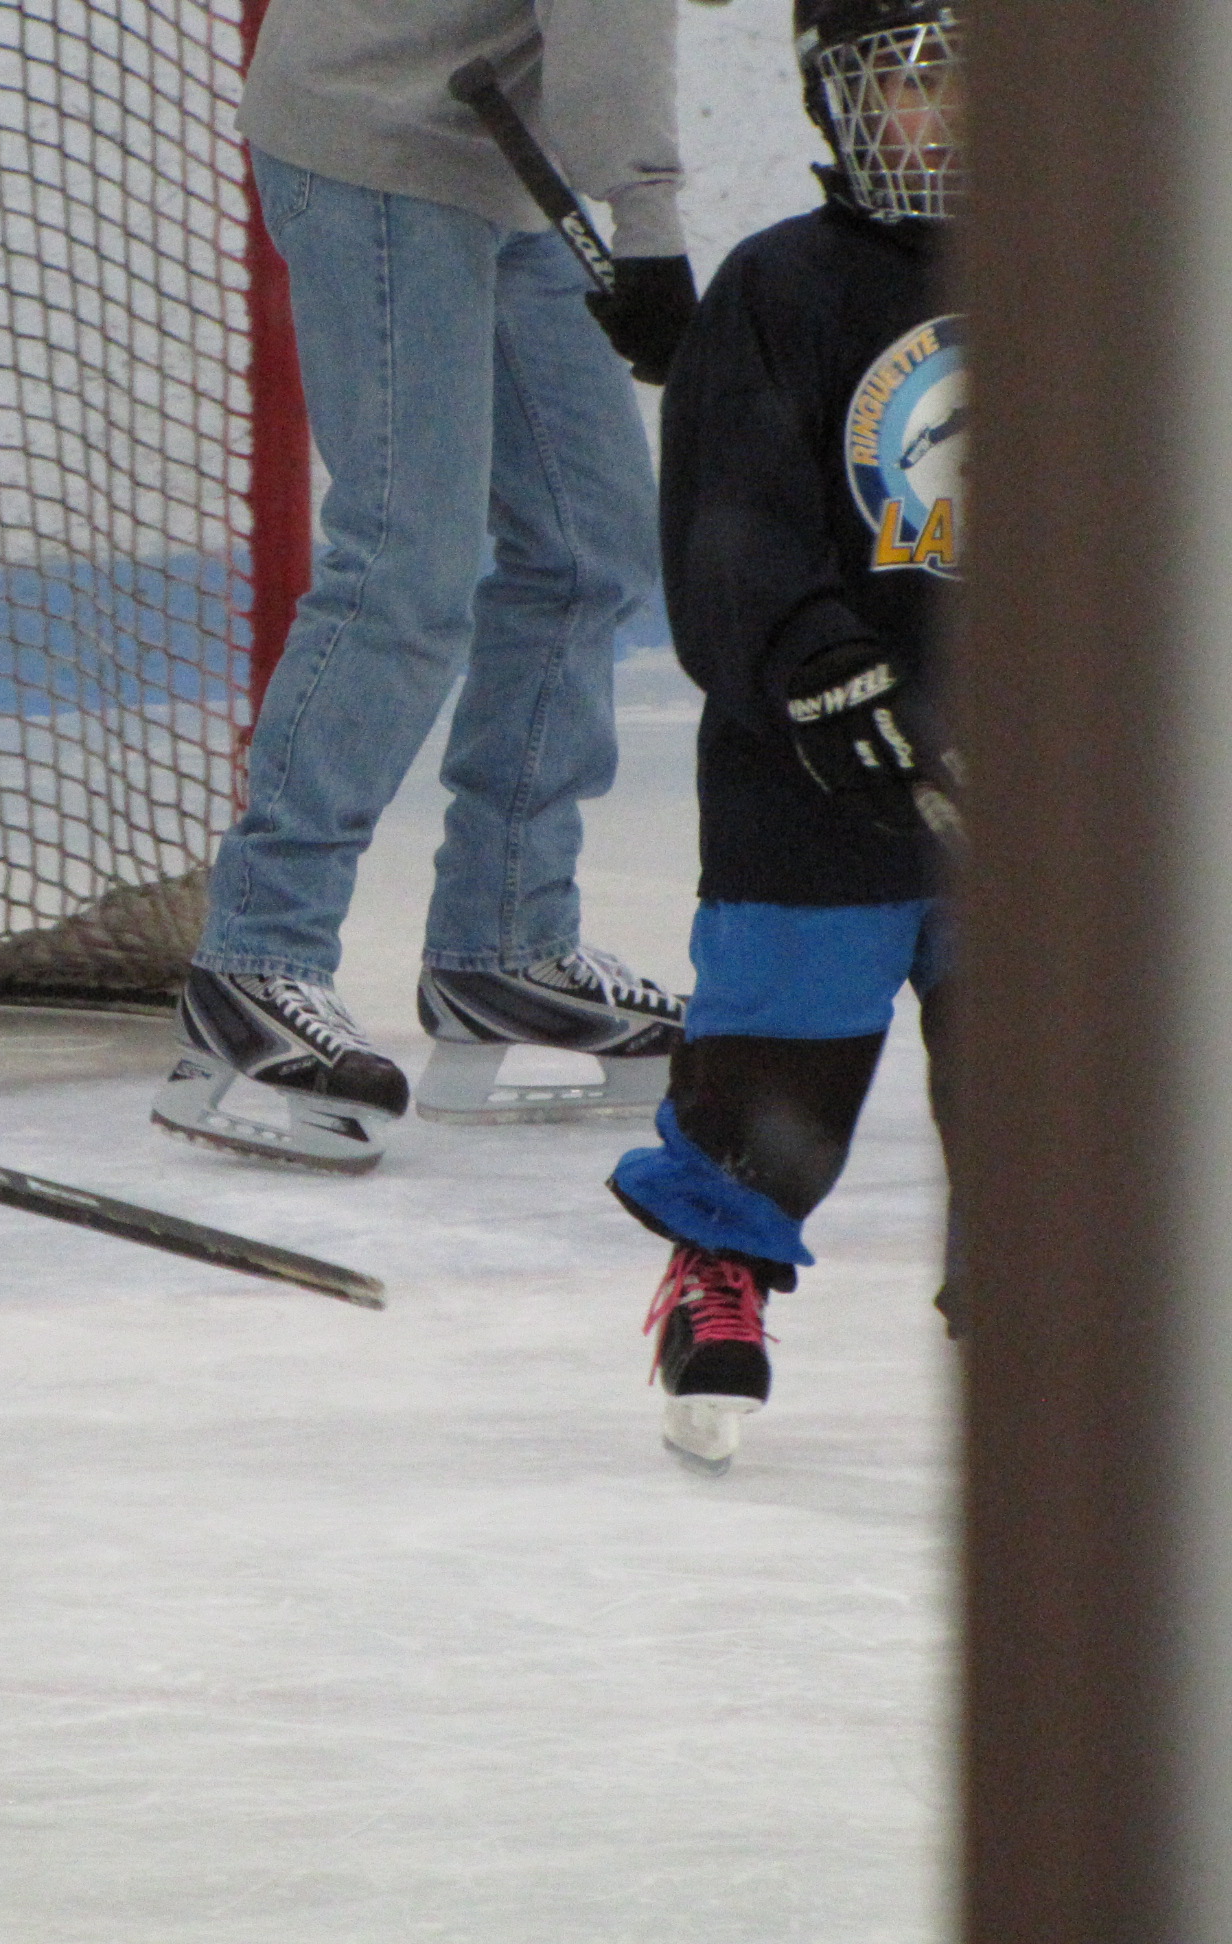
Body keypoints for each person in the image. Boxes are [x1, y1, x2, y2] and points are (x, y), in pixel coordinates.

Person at [154, 0, 697, 1173]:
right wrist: (648, 229)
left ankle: (504, 943)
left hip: (499, 148)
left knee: (590, 543)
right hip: (378, 123)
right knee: (407, 559)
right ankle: (258, 955)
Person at [609, 0, 963, 1474]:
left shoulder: (1095, 276)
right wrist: (816, 670)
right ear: (835, 102)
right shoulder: (780, 287)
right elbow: (732, 523)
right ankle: (723, 1270)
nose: (949, 113)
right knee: (779, 1055)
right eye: (911, 82)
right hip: (814, 787)